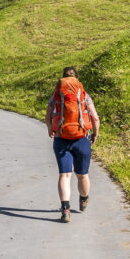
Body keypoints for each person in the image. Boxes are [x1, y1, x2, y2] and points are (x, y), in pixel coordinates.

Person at [45, 66, 100, 223]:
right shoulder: (83, 95)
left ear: (62, 78)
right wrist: (95, 133)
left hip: (61, 138)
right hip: (81, 138)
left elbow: (48, 116)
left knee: (65, 174)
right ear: (77, 78)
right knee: (82, 174)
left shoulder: (56, 94)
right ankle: (83, 199)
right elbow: (95, 118)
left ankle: (65, 209)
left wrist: (50, 129)